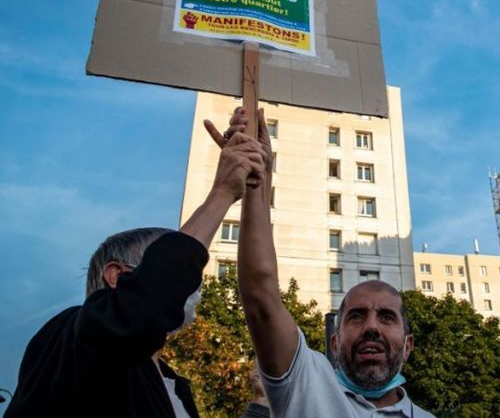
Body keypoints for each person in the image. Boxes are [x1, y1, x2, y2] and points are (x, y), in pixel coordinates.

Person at [4, 126, 266, 418]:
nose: (190, 282)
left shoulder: (170, 384)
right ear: (117, 276)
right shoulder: (72, 337)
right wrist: (223, 192)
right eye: (167, 263)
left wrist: (260, 407)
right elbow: (136, 315)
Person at [216, 107, 434, 418]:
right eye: (356, 316)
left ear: (408, 345)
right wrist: (257, 181)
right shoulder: (306, 384)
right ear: (334, 342)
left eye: (386, 317)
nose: (371, 327)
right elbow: (262, 297)